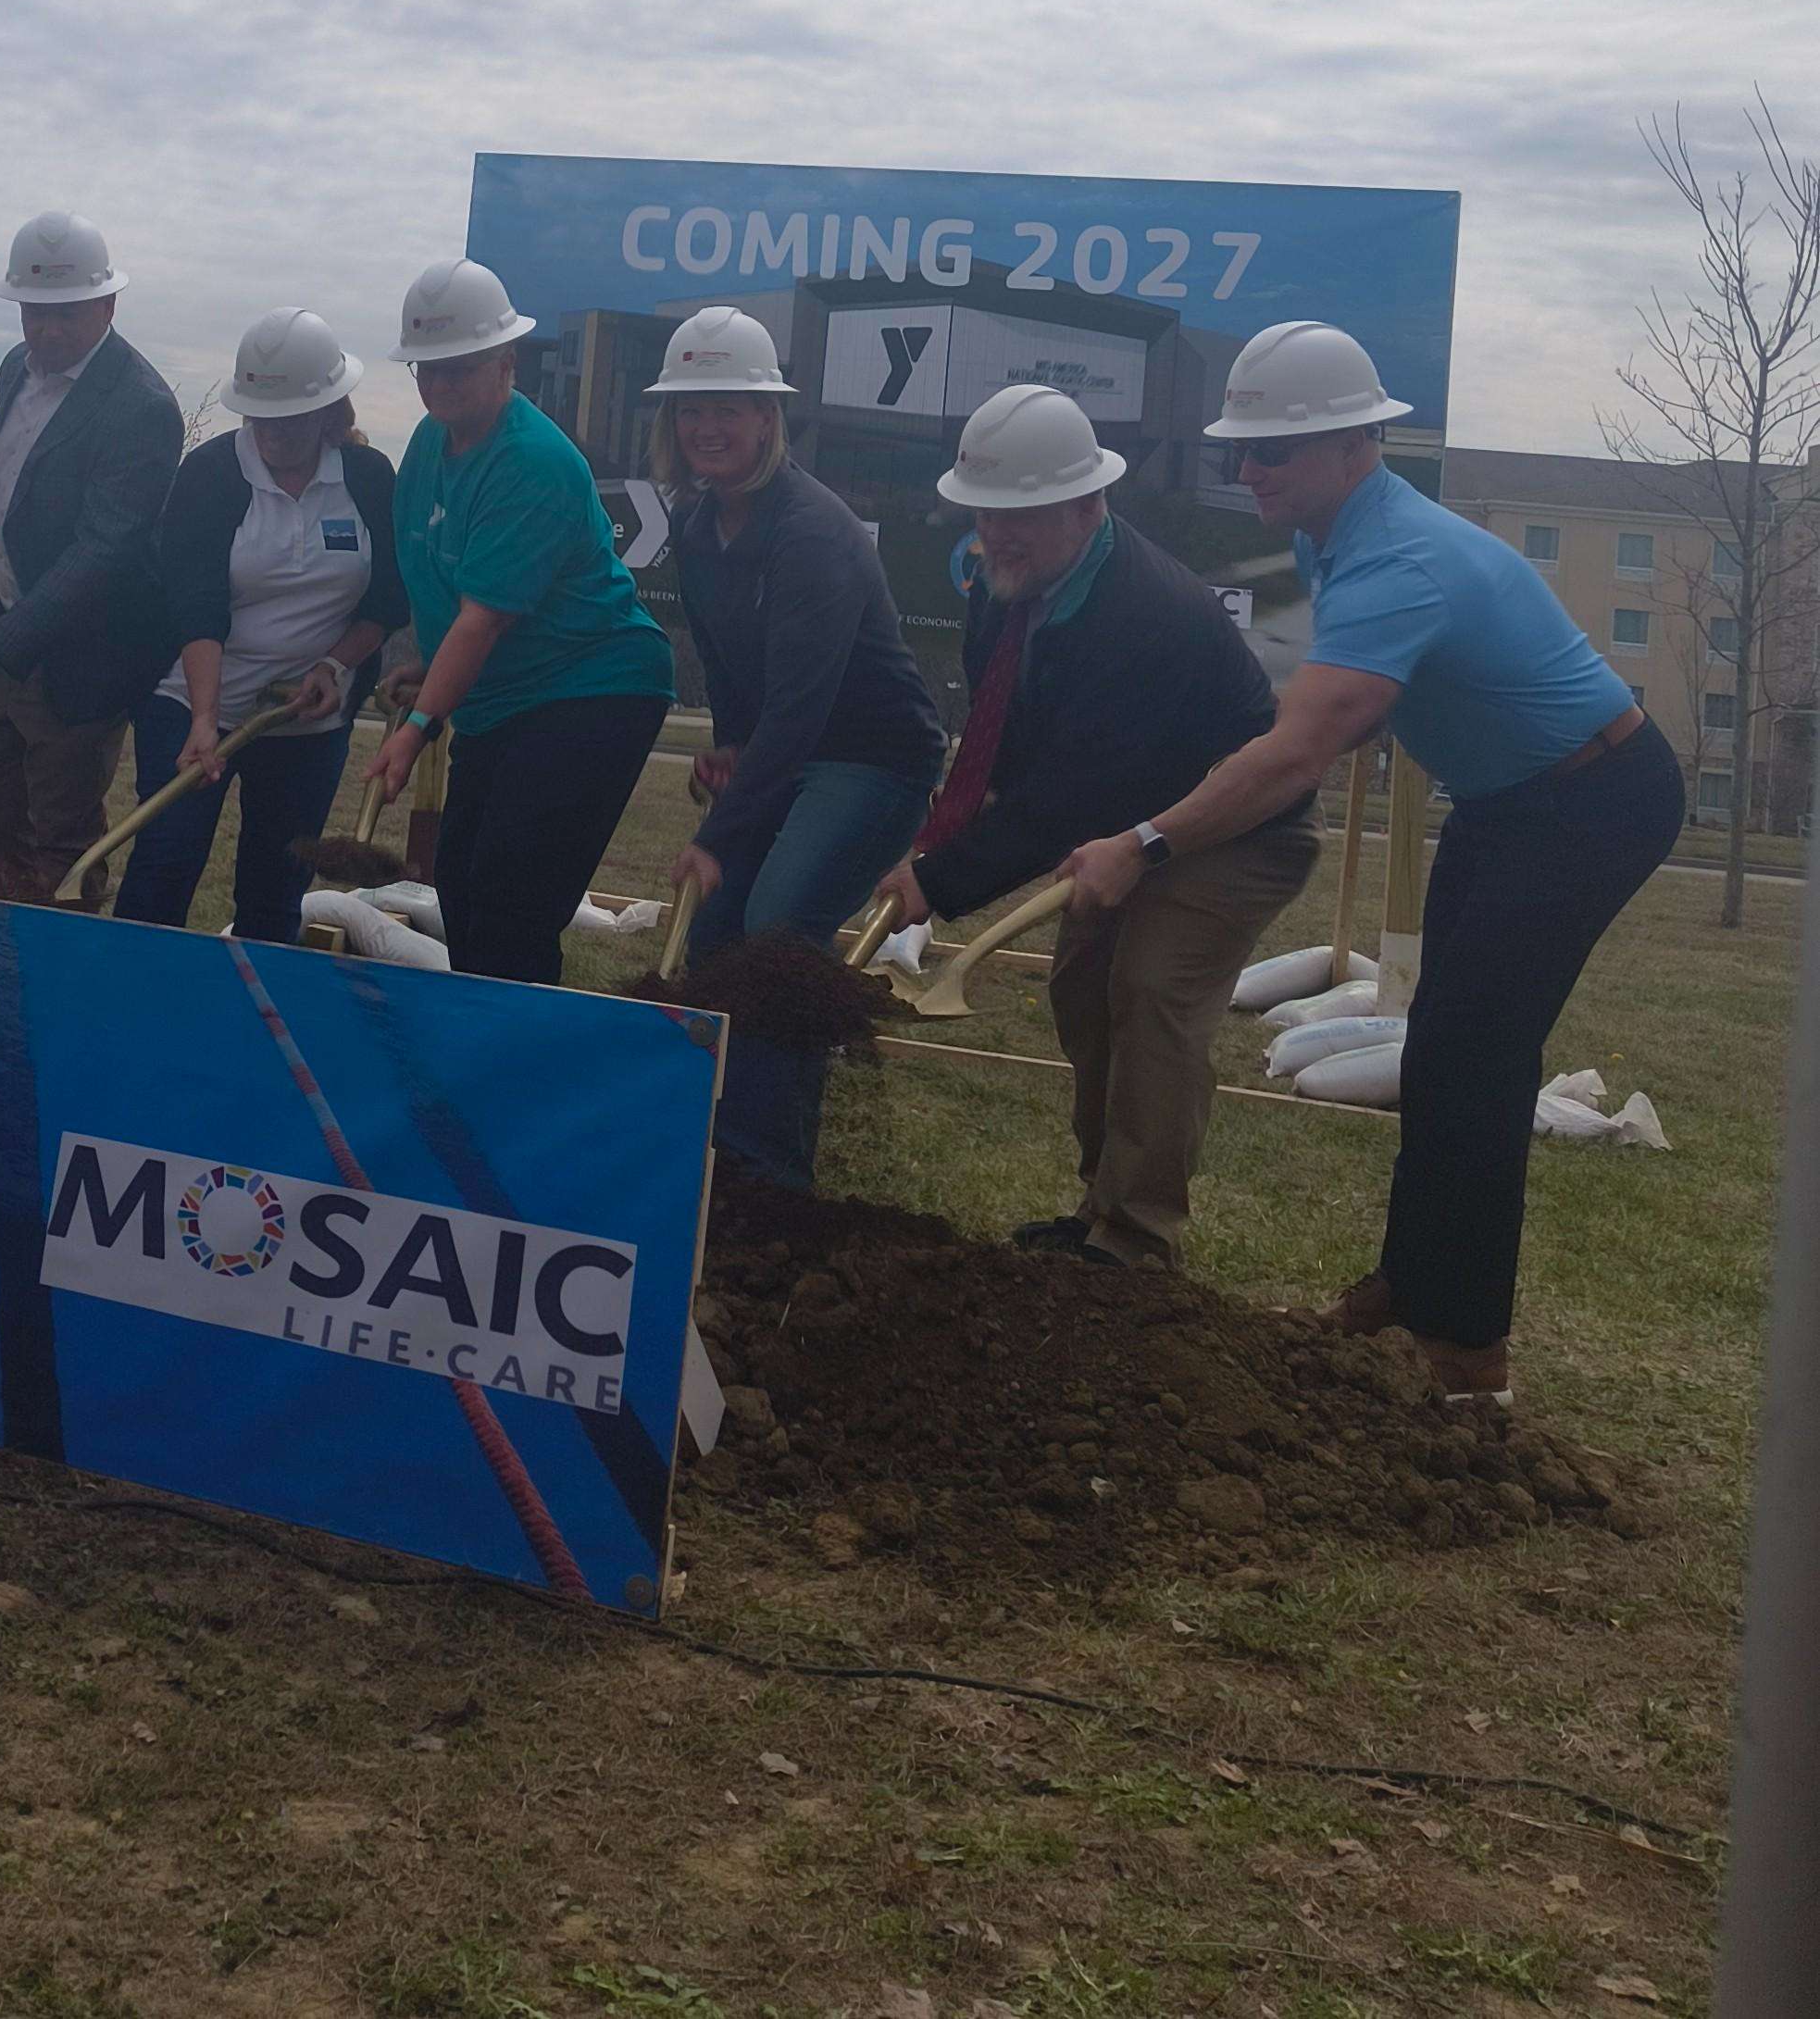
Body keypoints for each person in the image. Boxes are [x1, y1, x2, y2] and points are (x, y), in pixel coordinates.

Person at [1061, 322, 1679, 1402]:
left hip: (1593, 801)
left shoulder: (1400, 559)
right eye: (1236, 453)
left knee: (1478, 1062)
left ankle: (1468, 1353)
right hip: (1505, 802)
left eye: (1273, 451)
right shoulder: (1330, 531)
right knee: (1440, 1048)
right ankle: (1411, 1282)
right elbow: (1313, 711)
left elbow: (1303, 746)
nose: (1248, 471)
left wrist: (1146, 841)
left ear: (1357, 446)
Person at [877, 383, 1318, 1270]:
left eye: (1022, 515)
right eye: (985, 513)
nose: (997, 534)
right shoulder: (1005, 581)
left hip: (1237, 829)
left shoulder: (1141, 616)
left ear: (1088, 504)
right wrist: (942, 839)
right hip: (1125, 818)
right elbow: (1012, 747)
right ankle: (1098, 1213)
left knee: (1151, 990)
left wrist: (943, 881)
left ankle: (1138, 1238)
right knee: (1082, 989)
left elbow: (1068, 797)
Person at [648, 307, 945, 1189]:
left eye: (728, 408)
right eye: (690, 410)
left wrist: (717, 835)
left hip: (877, 761)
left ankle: (771, 1169)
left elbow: (802, 713)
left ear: (768, 418)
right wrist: (729, 751)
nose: (707, 427)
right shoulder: (699, 529)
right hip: (793, 750)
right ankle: (713, 1143)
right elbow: (739, 684)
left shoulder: (812, 532)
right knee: (717, 934)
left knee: (777, 920)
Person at [361, 258, 675, 983]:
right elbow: (444, 586)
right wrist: (431, 664)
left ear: (506, 362)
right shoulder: (427, 449)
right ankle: (476, 1042)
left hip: (593, 689)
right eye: (426, 370)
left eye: (459, 369)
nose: (439, 386)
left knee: (512, 898)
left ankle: (512, 1063)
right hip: (502, 699)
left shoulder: (532, 460)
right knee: (462, 886)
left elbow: (482, 623)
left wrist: (415, 732)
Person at [112, 308, 405, 941]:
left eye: (291, 416)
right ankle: (130, 996)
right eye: (261, 414)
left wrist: (334, 666)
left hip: (307, 719)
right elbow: (196, 604)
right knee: (167, 858)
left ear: (329, 408)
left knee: (278, 884)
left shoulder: (369, 479)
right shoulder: (212, 476)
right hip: (193, 703)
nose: (273, 430)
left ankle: (259, 1012)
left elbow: (387, 599)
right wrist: (203, 718)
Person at [0, 213, 181, 902]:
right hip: (14, 637)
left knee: (63, 836)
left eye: (65, 315)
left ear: (108, 305)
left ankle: (54, 958)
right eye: (33, 313)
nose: (45, 331)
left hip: (82, 661)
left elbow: (102, 551)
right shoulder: (16, 369)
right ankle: (0, 946)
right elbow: (11, 478)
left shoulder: (142, 407)